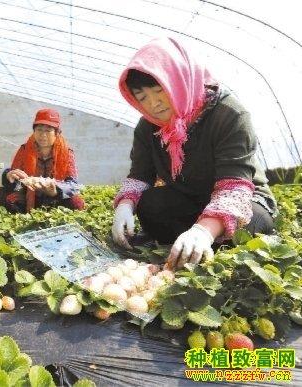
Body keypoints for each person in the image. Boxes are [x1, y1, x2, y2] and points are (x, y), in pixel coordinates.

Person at [111, 37, 277, 270]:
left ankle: (203, 242)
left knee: (253, 224)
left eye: (160, 91)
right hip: (191, 199)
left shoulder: (228, 114)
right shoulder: (147, 127)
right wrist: (124, 206)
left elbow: (234, 187)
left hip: (244, 199)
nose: (154, 104)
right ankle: (195, 243)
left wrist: (203, 231)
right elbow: (140, 175)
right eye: (142, 98)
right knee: (150, 205)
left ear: (179, 81)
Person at [0, 108, 85, 213]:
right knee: (1, 194)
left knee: (76, 203)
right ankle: (24, 217)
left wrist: (56, 190)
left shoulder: (67, 153)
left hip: (56, 198)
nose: (43, 135)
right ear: (34, 131)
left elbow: (73, 184)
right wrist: (8, 175)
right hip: (30, 195)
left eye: (48, 130)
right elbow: (15, 176)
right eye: (39, 129)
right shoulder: (24, 149)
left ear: (56, 133)